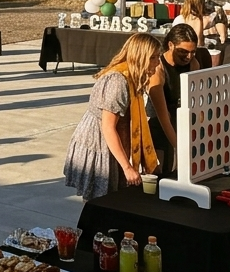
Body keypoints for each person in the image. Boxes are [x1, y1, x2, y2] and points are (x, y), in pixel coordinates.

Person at [64, 32, 161, 200]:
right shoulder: (118, 82)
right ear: (140, 57)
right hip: (100, 140)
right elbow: (108, 128)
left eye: (158, 57)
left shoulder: (133, 76)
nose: (158, 62)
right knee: (101, 199)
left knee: (113, 197)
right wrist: (127, 167)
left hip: (113, 137)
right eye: (153, 57)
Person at [146, 23, 200, 172]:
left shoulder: (193, 64)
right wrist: (179, 149)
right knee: (160, 174)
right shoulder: (158, 69)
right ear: (170, 45)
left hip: (180, 121)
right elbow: (163, 116)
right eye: (183, 51)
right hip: (158, 124)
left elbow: (195, 101)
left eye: (193, 52)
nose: (188, 56)